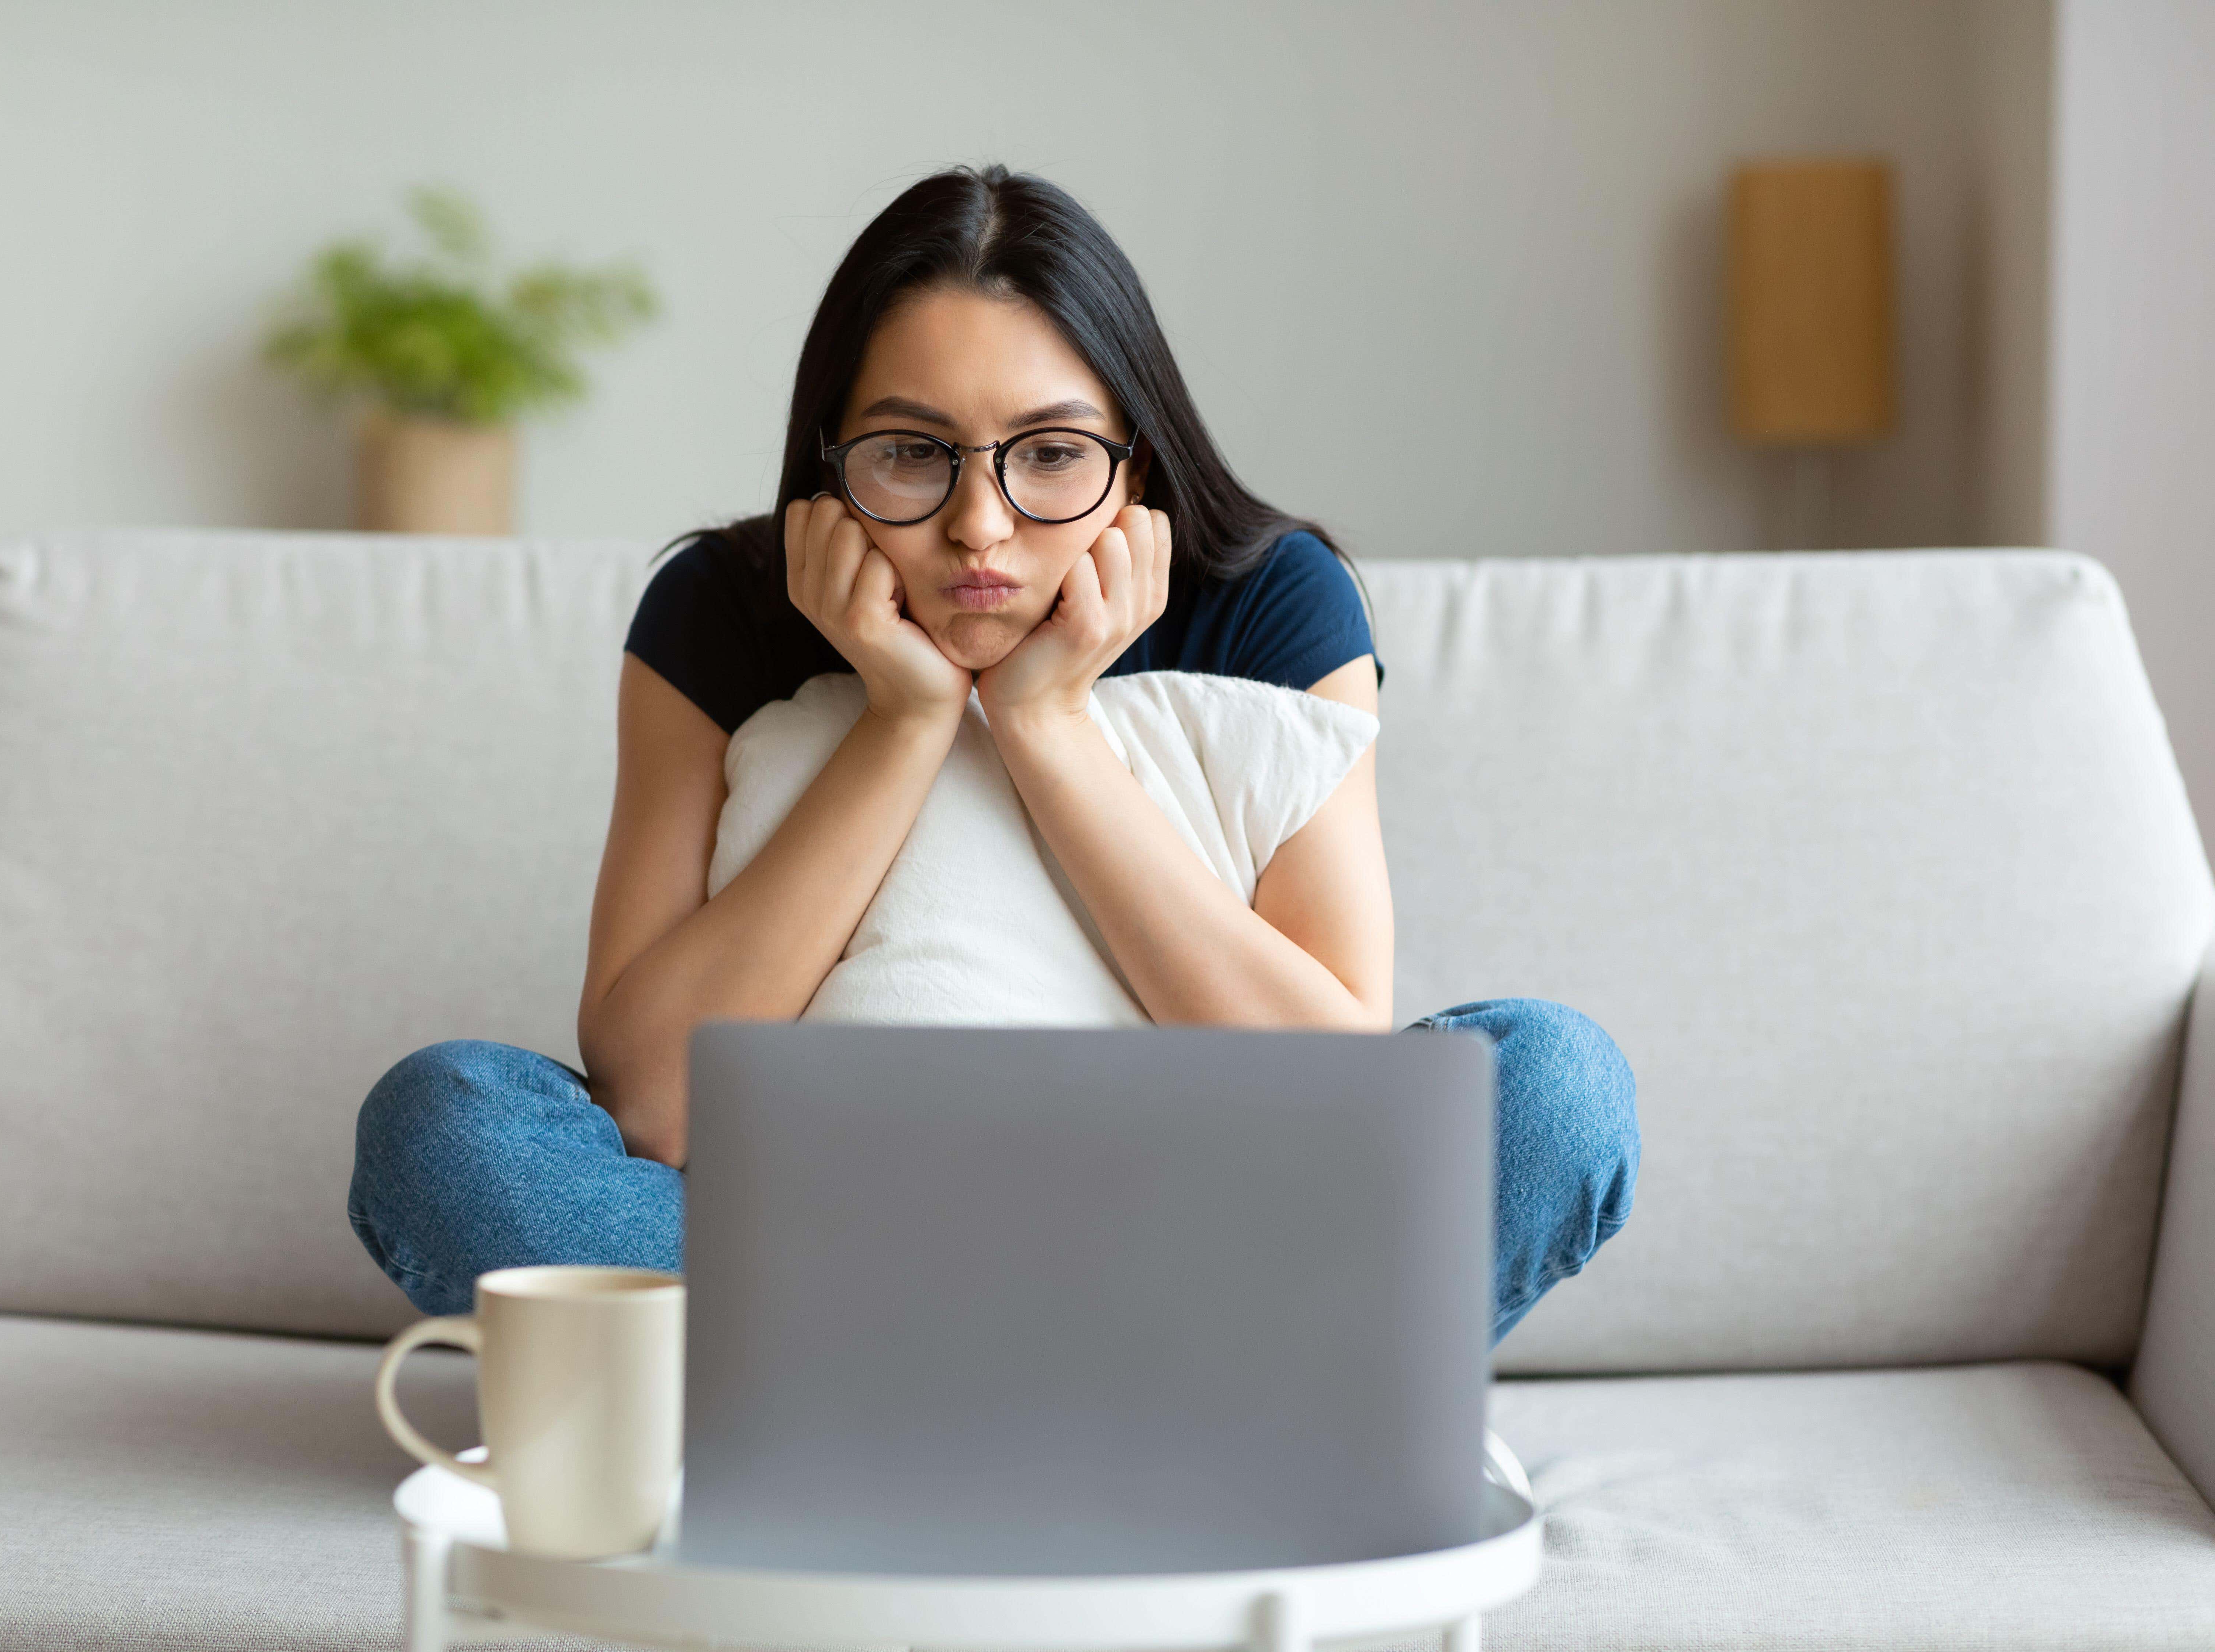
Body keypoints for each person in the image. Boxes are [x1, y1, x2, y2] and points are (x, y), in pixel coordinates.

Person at [350, 166, 1637, 1343]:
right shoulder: (721, 611)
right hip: (816, 1250)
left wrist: (1047, 725)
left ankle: (887, 1400)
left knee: (1553, 1090)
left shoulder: (1273, 600)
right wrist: (906, 720)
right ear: (830, 464)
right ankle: (1124, 1406)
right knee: (447, 1124)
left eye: (1053, 456)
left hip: (1194, 1252)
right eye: (912, 454)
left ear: (1135, 466)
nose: (982, 527)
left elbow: (1343, 1102)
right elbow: (656, 1104)